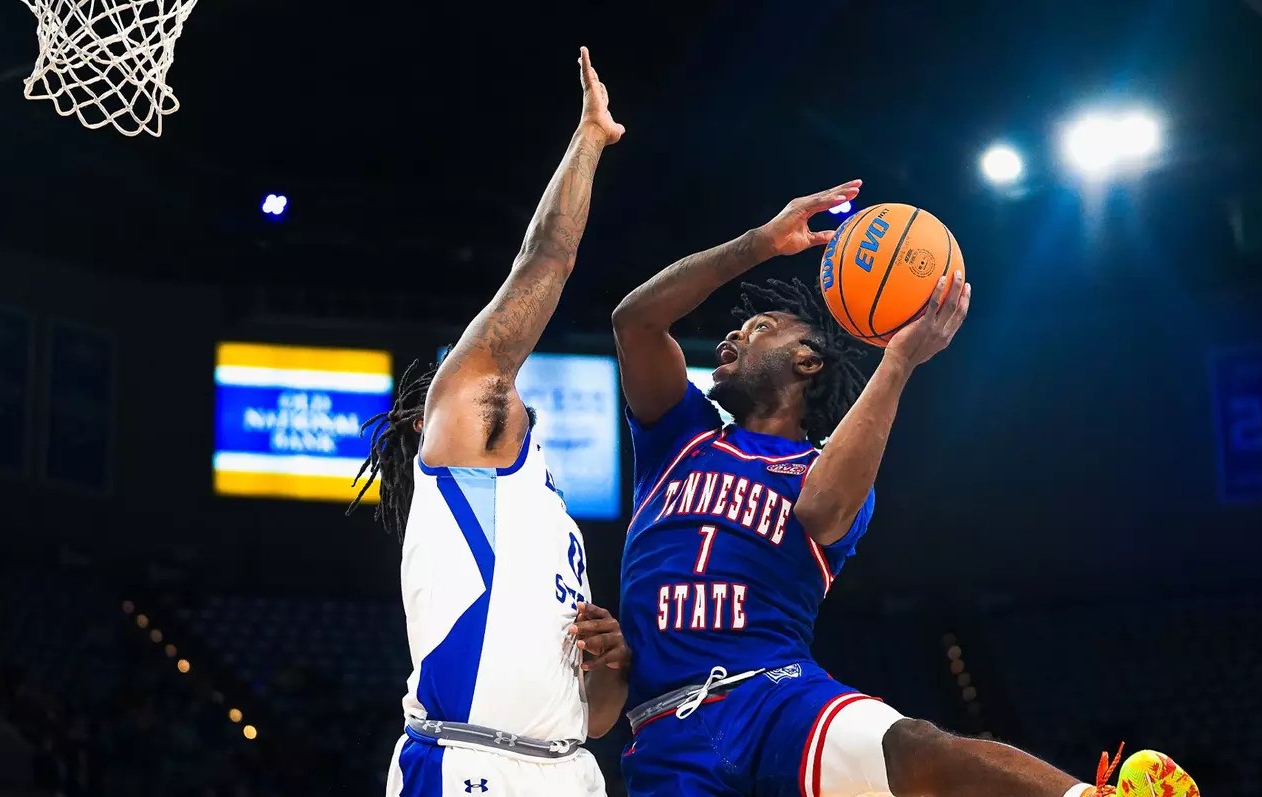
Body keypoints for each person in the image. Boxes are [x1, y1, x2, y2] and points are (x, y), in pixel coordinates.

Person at [602, 179, 1200, 796]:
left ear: (808, 360)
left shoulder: (830, 469)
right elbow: (636, 320)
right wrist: (760, 243)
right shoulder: (677, 439)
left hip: (775, 695)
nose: (730, 338)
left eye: (758, 327)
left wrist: (900, 357)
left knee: (913, 744)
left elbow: (822, 508)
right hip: (664, 727)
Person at [346, 47, 630, 797]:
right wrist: (588, 142)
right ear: (426, 431)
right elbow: (545, 259)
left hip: (572, 768)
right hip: (470, 764)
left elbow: (599, 717)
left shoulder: (546, 508)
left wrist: (613, 661)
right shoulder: (463, 444)